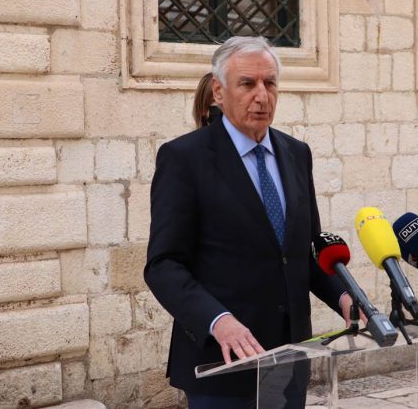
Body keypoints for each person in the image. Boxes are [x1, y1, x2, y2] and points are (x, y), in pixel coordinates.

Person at [144, 36, 355, 408]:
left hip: (289, 360)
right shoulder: (184, 158)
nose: (262, 96)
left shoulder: (296, 154)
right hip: (221, 364)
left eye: (270, 83)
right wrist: (218, 320)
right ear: (219, 91)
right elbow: (163, 265)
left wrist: (346, 297)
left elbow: (304, 254)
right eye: (247, 84)